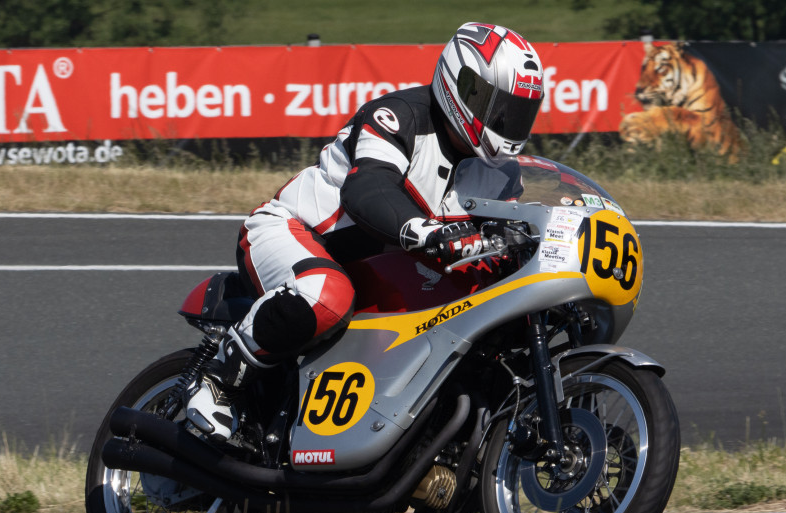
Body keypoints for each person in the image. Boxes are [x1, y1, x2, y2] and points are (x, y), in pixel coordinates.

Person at [185, 22, 545, 441]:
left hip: (379, 272)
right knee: (327, 294)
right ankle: (217, 381)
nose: (507, 123)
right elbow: (368, 189)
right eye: (501, 109)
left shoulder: (503, 174)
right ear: (464, 87)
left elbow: (503, 240)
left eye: (518, 113)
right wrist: (424, 230)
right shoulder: (398, 117)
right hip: (296, 233)